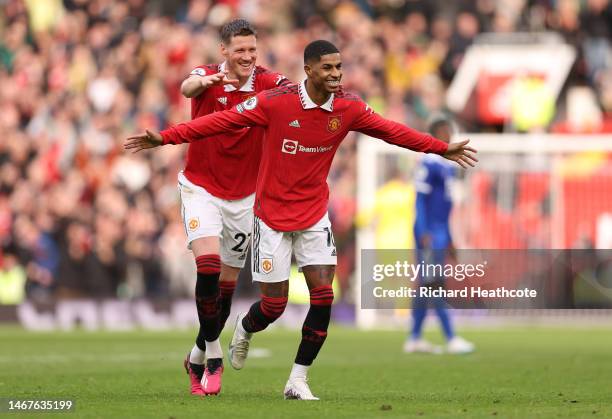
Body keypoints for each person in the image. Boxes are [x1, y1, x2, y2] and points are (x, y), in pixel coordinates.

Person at [125, 40, 478, 400]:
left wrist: (439, 147)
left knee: (323, 296)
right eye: (328, 68)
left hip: (313, 215)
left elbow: (392, 130)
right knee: (273, 306)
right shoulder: (276, 103)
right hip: (270, 217)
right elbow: (218, 121)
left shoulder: (349, 107)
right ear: (308, 70)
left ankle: (297, 380)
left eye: (339, 67)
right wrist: (167, 138)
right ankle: (245, 330)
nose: (336, 74)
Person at [175, 19, 289, 396]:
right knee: (207, 268)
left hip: (244, 200)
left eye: (252, 50)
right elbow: (186, 85)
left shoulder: (269, 83)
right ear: (223, 50)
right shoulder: (207, 76)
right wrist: (202, 84)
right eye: (239, 50)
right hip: (201, 189)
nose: (247, 56)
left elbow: (296, 91)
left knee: (224, 292)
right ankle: (213, 358)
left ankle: (195, 355)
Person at [403, 114, 475, 355]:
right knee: (434, 285)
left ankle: (414, 337)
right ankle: (451, 337)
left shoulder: (447, 167)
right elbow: (420, 200)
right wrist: (423, 232)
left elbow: (444, 210)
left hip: (441, 232)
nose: (450, 137)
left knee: (426, 285)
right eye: (445, 133)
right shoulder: (428, 163)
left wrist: (451, 238)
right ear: (434, 136)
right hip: (429, 234)